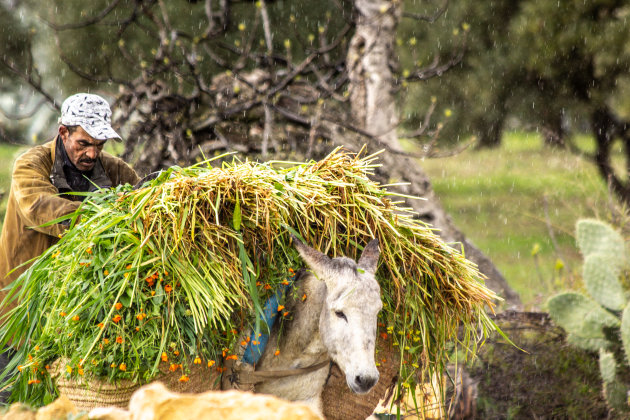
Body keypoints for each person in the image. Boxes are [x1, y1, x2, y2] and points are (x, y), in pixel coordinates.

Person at [0, 93, 139, 312]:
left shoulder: (116, 170)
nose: (92, 153)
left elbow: (143, 201)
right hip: (26, 303)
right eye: (83, 143)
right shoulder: (31, 165)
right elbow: (43, 208)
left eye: (99, 145)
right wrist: (108, 215)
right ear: (63, 132)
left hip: (80, 305)